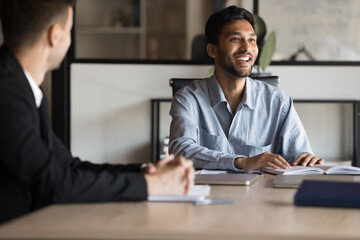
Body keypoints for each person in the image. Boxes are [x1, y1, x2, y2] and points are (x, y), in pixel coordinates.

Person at [0, 0, 194, 223]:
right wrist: (152, 185)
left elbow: (67, 167)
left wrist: (146, 172)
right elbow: (53, 183)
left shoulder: (23, 87)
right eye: (70, 30)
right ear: (55, 35)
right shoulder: (7, 92)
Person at [169, 6, 324, 172]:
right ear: (212, 50)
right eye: (235, 39)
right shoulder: (188, 98)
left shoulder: (279, 102)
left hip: (262, 194)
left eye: (252, 40)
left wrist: (306, 160)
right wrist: (240, 162)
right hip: (207, 193)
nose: (246, 48)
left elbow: (298, 157)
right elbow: (181, 150)